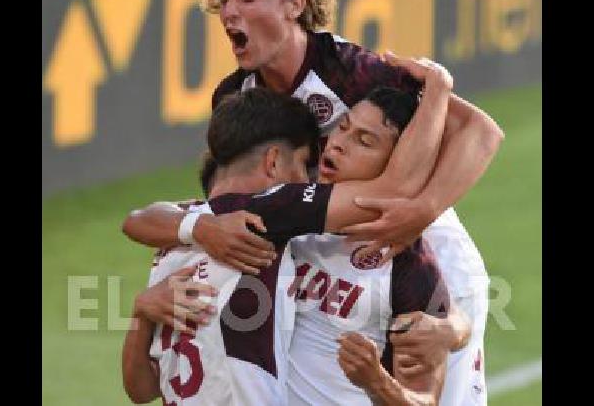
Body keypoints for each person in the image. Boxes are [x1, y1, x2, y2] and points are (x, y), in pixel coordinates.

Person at [123, 61, 460, 405]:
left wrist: (379, 381)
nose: (338, 144)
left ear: (394, 161)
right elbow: (145, 219)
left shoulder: (408, 263)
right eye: (342, 128)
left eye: (364, 141)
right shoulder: (274, 217)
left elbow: (424, 399)